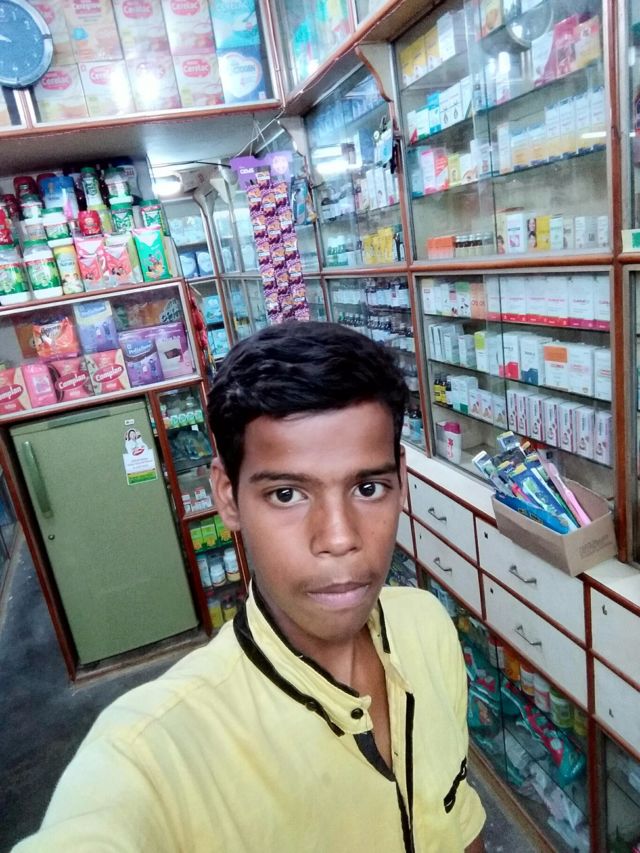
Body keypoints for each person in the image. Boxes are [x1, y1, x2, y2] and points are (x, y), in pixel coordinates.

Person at [14, 321, 485, 852]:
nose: (339, 538)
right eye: (286, 495)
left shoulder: (427, 625)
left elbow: (458, 815)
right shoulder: (153, 752)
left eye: (368, 487)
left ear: (401, 479)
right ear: (228, 497)